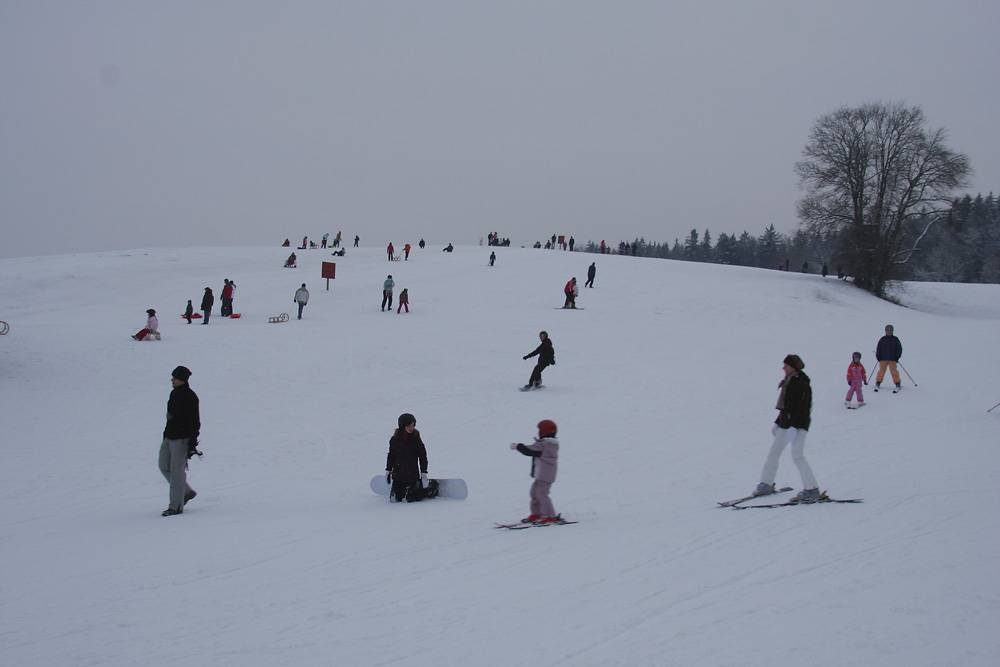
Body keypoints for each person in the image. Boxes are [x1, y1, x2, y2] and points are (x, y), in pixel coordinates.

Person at [752, 354, 822, 503]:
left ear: (794, 367)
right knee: (774, 453)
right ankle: (766, 484)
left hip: (798, 426)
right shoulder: (788, 382)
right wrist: (778, 422)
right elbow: (786, 407)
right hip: (785, 425)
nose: (783, 368)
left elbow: (803, 409)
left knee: (797, 456)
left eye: (786, 365)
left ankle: (812, 489)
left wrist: (795, 427)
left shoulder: (802, 384)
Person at [158, 366, 200, 516]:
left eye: (175, 378)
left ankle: (175, 507)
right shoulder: (174, 393)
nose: (172, 380)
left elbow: (195, 421)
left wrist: (192, 442)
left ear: (182, 380)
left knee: (176, 472)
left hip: (182, 440)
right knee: (163, 466)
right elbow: (170, 416)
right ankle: (186, 492)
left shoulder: (190, 397)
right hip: (169, 437)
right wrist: (166, 434)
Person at [510, 419, 561, 523]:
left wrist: (518, 446)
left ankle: (550, 516)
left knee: (541, 495)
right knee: (534, 494)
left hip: (545, 476)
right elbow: (533, 450)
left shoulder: (546, 445)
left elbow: (529, 451)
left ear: (543, 432)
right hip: (541, 475)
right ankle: (537, 513)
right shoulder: (547, 444)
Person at [385, 413, 430, 502]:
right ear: (402, 426)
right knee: (394, 499)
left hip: (411, 475)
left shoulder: (416, 439)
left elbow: (422, 456)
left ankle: (431, 488)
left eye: (413, 425)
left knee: (409, 498)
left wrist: (424, 472)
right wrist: (388, 470)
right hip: (398, 475)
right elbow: (391, 455)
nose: (411, 428)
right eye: (409, 426)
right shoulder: (395, 440)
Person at [875, 324, 903, 392]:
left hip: (892, 359)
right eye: (888, 331)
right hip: (883, 358)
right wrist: (878, 356)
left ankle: (897, 383)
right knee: (881, 371)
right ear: (885, 331)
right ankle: (878, 382)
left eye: (890, 331)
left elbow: (899, 349)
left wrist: (897, 356)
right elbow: (879, 348)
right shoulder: (883, 339)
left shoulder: (895, 339)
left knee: (894, 371)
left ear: (892, 331)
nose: (889, 332)